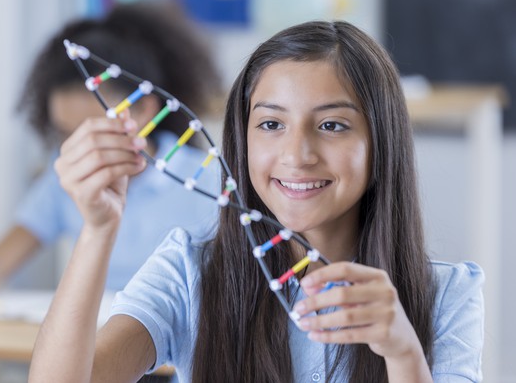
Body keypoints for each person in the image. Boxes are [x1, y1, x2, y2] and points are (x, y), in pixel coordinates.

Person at [28, 20, 484, 382]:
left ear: (381, 142)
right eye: (270, 125)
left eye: (331, 125)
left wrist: (403, 352)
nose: (297, 155)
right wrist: (98, 230)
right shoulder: (189, 274)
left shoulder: (446, 296)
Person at [0, 2, 222, 309]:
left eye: (92, 130)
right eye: (65, 134)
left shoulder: (210, 184)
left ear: (144, 110)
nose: (78, 148)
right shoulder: (63, 177)